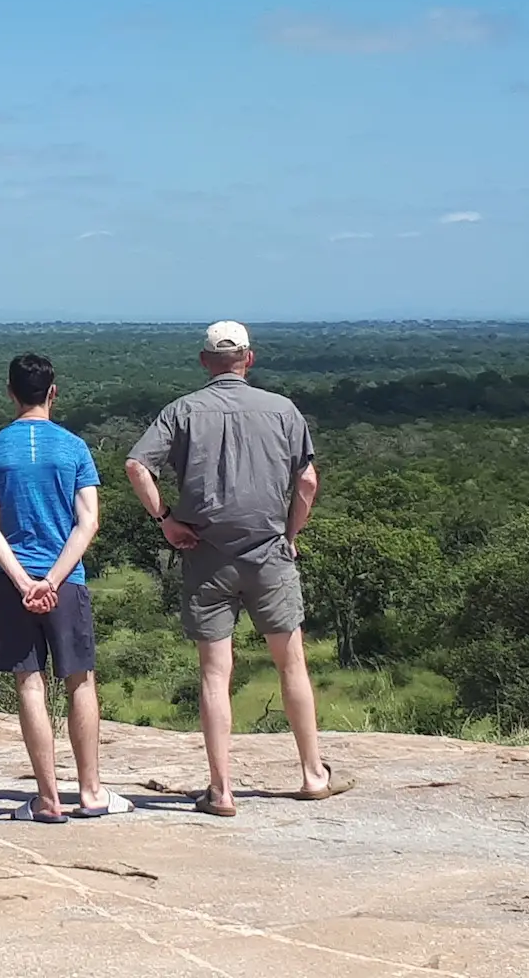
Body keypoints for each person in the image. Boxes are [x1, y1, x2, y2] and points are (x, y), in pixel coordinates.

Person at [123, 321, 355, 818]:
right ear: (249, 359)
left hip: (206, 553)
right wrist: (291, 534)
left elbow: (136, 466)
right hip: (270, 551)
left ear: (205, 362)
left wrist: (165, 520)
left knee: (214, 674)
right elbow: (308, 481)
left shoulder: (182, 410)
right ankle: (314, 774)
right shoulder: (283, 410)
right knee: (291, 663)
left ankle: (222, 790)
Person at [0, 353, 132, 823]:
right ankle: (91, 791)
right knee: (80, 679)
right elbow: (89, 522)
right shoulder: (75, 448)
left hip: (13, 584)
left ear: (10, 392)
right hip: (68, 583)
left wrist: (24, 580)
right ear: (53, 391)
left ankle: (47, 799)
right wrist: (53, 580)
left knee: (31, 683)